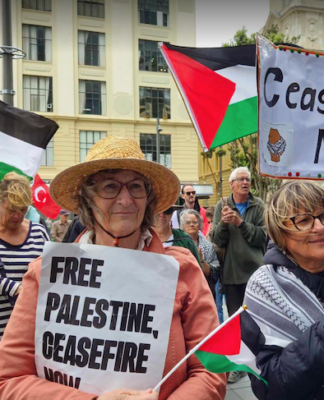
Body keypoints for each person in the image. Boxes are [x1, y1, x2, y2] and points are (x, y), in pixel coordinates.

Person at [0, 136, 226, 400]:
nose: (126, 199)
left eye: (136, 186)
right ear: (88, 200)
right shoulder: (47, 274)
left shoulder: (182, 270)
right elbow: (9, 380)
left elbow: (211, 370)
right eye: (110, 187)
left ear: (148, 199)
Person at [244, 181, 324, 400]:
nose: (319, 227)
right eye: (304, 220)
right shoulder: (264, 287)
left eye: (323, 217)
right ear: (280, 234)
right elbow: (267, 386)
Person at [210, 167, 266, 383]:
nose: (246, 183)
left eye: (248, 179)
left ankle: (259, 359)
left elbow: (262, 238)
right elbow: (216, 238)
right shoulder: (222, 205)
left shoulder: (258, 205)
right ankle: (239, 364)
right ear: (231, 184)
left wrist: (241, 223)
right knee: (235, 321)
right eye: (241, 179)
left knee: (257, 320)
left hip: (255, 273)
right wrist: (225, 223)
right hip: (232, 273)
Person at [0, 172, 49, 340]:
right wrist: (17, 289)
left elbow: (51, 274)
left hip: (30, 332)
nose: (17, 216)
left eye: (23, 210)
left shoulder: (38, 233)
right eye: (11, 210)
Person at [180, 209, 219, 299]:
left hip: (203, 292)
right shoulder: (177, 244)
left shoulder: (208, 246)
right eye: (188, 222)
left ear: (200, 225)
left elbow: (214, 274)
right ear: (182, 225)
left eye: (195, 222)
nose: (192, 224)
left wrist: (201, 260)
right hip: (182, 292)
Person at [206, 206, 225, 324]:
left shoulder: (222, 230)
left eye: (212, 221)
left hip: (225, 270)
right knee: (217, 305)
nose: (211, 224)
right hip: (216, 271)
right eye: (209, 222)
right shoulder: (209, 232)